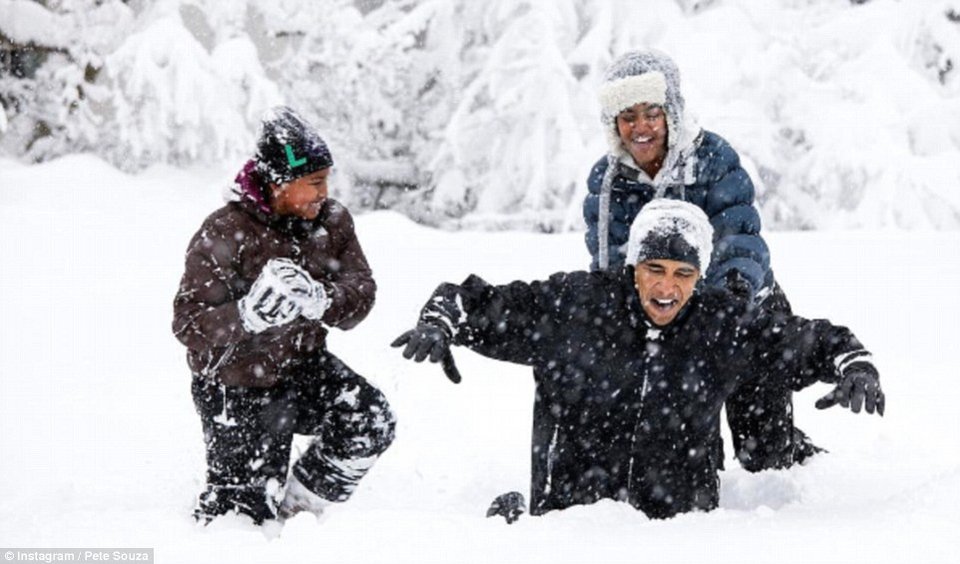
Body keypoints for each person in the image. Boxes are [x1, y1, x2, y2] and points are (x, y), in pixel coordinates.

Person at [393, 199, 884, 520]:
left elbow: (811, 340)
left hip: (677, 536)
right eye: (654, 269)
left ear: (699, 277)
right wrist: (441, 322)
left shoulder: (721, 326)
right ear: (633, 268)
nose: (667, 288)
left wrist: (853, 364)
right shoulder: (577, 305)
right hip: (570, 528)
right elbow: (476, 302)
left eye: (683, 273)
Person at [583, 49, 814, 471]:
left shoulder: (712, 159)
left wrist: (731, 297)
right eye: (627, 116)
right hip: (671, 320)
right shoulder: (608, 179)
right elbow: (610, 260)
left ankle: (793, 452)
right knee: (685, 455)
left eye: (650, 113)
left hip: (742, 307)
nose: (640, 128)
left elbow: (739, 235)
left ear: (670, 112)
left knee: (764, 456)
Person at [172, 106, 396, 526]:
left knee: (369, 421)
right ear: (278, 183)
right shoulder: (224, 231)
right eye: (313, 182)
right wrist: (246, 316)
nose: (324, 192)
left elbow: (361, 291)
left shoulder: (333, 222)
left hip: (303, 367)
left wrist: (322, 299)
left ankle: (299, 511)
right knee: (240, 522)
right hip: (235, 386)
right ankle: (242, 516)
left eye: (326, 179)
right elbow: (187, 323)